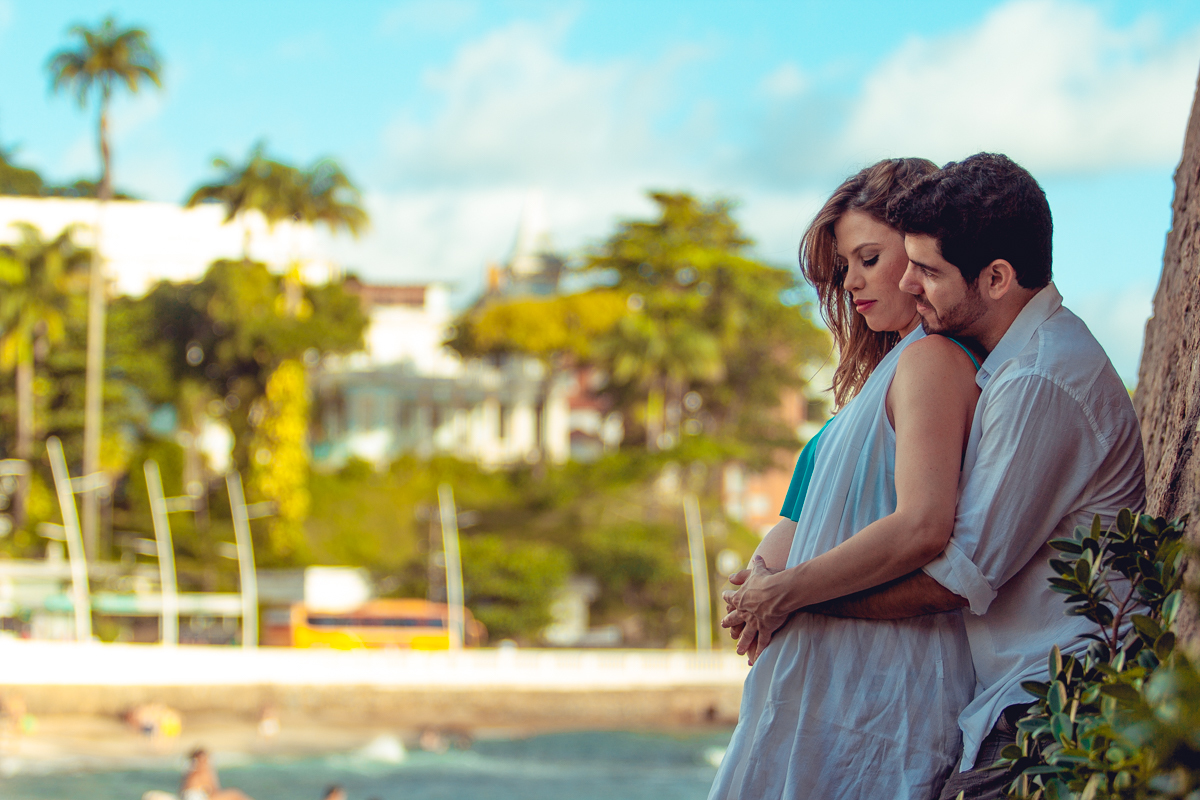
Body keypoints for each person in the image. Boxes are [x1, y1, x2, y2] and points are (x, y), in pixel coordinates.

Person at [724, 153, 1145, 800]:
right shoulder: (1005, 369)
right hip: (1021, 696)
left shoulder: (1032, 378)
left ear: (996, 277)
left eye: (924, 269)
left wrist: (790, 597)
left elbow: (950, 565)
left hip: (1055, 694)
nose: (910, 285)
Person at [708, 157, 982, 800]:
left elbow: (923, 526)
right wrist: (758, 587)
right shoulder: (885, 378)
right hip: (828, 690)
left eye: (868, 258)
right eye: (844, 267)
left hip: (875, 692)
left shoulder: (932, 362)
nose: (852, 282)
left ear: (920, 250)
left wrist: (783, 592)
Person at [180, 748, 254, 800]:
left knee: (234, 794)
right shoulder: (202, 771)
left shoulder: (190, 772)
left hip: (193, 797)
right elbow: (214, 790)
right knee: (235, 794)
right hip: (200, 797)